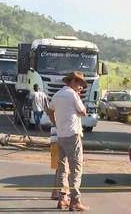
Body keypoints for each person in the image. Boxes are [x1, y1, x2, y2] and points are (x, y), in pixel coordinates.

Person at [47, 71, 89, 211]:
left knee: (62, 168)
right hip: (73, 135)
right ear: (73, 82)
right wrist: (78, 105)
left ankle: (62, 198)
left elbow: (49, 110)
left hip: (61, 135)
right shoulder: (72, 95)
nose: (80, 88)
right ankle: (75, 200)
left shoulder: (57, 95)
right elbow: (83, 112)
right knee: (76, 168)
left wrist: (56, 123)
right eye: (79, 84)